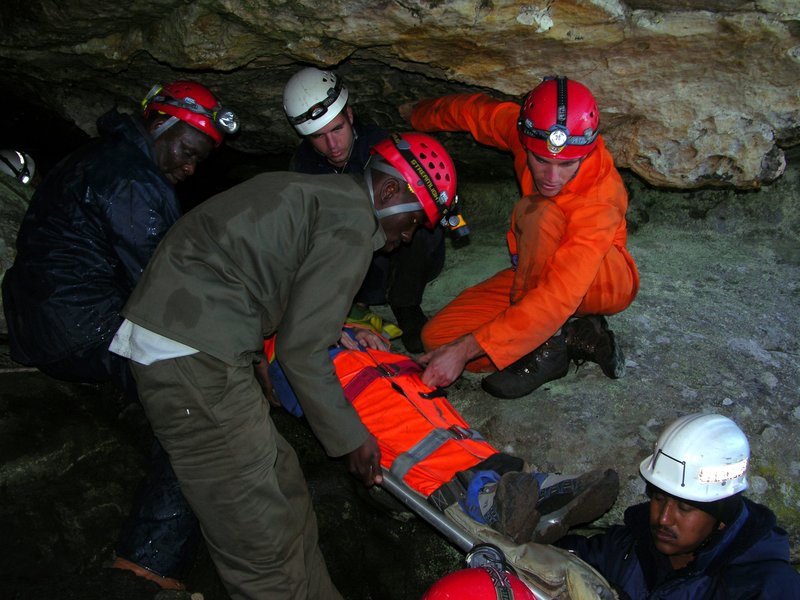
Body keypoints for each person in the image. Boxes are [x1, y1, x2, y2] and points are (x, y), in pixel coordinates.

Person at [108, 132, 461, 599]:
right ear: (391, 192)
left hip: (196, 340)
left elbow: (249, 265)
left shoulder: (321, 198)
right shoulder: (353, 226)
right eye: (415, 221)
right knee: (261, 534)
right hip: (191, 356)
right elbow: (301, 349)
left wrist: (255, 360)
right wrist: (353, 439)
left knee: (286, 488)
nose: (410, 236)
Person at [1, 80, 238, 588]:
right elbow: (163, 296)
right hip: (80, 331)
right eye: (187, 152)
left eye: (199, 160)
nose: (190, 168)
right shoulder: (135, 183)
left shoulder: (98, 155)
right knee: (198, 412)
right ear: (160, 125)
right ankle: (146, 567)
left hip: (30, 320)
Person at [401, 76, 640, 398]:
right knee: (439, 339)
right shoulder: (527, 135)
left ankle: (547, 347)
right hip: (539, 271)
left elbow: (557, 295)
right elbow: (476, 113)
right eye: (541, 161)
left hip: (601, 280)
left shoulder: (601, 199)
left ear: (586, 151)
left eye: (568, 164)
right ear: (526, 141)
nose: (552, 177)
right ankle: (574, 333)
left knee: (539, 212)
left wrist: (467, 350)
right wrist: (419, 114)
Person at [284, 66, 455, 352]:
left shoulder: (380, 145)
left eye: (337, 129)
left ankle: (405, 303)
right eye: (318, 136)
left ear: (350, 116)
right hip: (349, 258)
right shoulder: (303, 167)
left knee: (422, 222)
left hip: (392, 254)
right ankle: (356, 303)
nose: (332, 144)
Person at [556, 413, 800, 599]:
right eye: (659, 498)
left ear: (722, 518)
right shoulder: (625, 549)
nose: (663, 518)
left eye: (684, 508)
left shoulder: (767, 587)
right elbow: (556, 558)